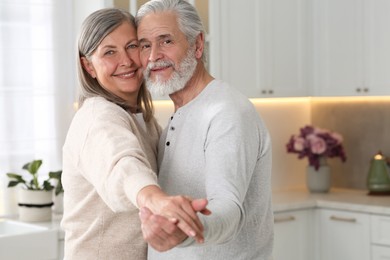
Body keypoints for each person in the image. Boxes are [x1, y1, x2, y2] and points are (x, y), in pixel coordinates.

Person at [61, 8, 209, 260]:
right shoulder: (98, 116)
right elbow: (122, 165)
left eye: (132, 46)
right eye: (109, 52)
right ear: (89, 66)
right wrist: (155, 198)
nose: (127, 61)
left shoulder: (142, 119)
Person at [135, 0, 274, 259]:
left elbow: (228, 209)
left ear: (197, 45)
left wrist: (188, 230)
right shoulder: (181, 113)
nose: (153, 57)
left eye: (166, 41)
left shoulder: (227, 113)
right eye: (145, 45)